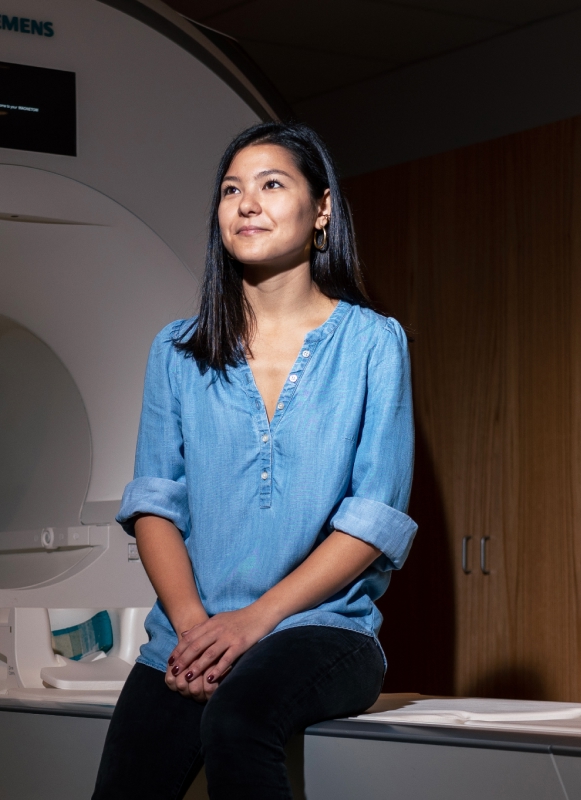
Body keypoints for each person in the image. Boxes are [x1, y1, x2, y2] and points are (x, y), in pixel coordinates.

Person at [92, 121, 416, 800]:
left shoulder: (372, 343)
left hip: (321, 630)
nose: (247, 203)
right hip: (190, 634)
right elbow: (154, 502)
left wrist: (253, 621)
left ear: (321, 208)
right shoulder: (177, 349)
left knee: (238, 723)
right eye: (232, 189)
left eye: (272, 184)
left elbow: (373, 516)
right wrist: (193, 628)